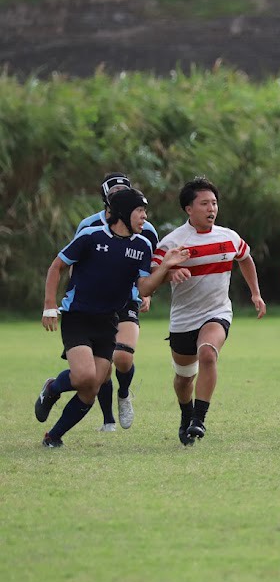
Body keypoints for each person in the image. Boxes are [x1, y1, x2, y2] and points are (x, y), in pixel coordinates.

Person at [35, 187, 189, 447]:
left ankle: (54, 436)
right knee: (84, 377)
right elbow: (57, 266)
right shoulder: (90, 236)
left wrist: (164, 267)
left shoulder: (141, 245)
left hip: (108, 321)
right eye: (140, 211)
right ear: (124, 213)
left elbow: (143, 288)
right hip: (78, 317)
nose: (144, 216)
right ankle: (52, 388)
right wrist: (50, 305)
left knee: (92, 386)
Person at [152, 177, 267, 446]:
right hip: (183, 319)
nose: (211, 208)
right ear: (189, 209)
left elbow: (245, 258)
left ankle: (199, 420)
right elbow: (150, 278)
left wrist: (255, 293)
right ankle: (186, 414)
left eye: (214, 203)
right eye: (204, 203)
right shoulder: (173, 243)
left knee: (208, 353)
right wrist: (170, 272)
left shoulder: (228, 237)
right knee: (183, 380)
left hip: (217, 312)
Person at [56, 173, 161, 432]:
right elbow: (74, 264)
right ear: (106, 200)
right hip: (92, 305)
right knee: (96, 370)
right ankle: (108, 419)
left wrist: (146, 295)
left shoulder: (145, 231)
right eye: (114, 195)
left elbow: (151, 268)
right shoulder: (89, 227)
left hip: (127, 299)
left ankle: (124, 394)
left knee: (123, 358)